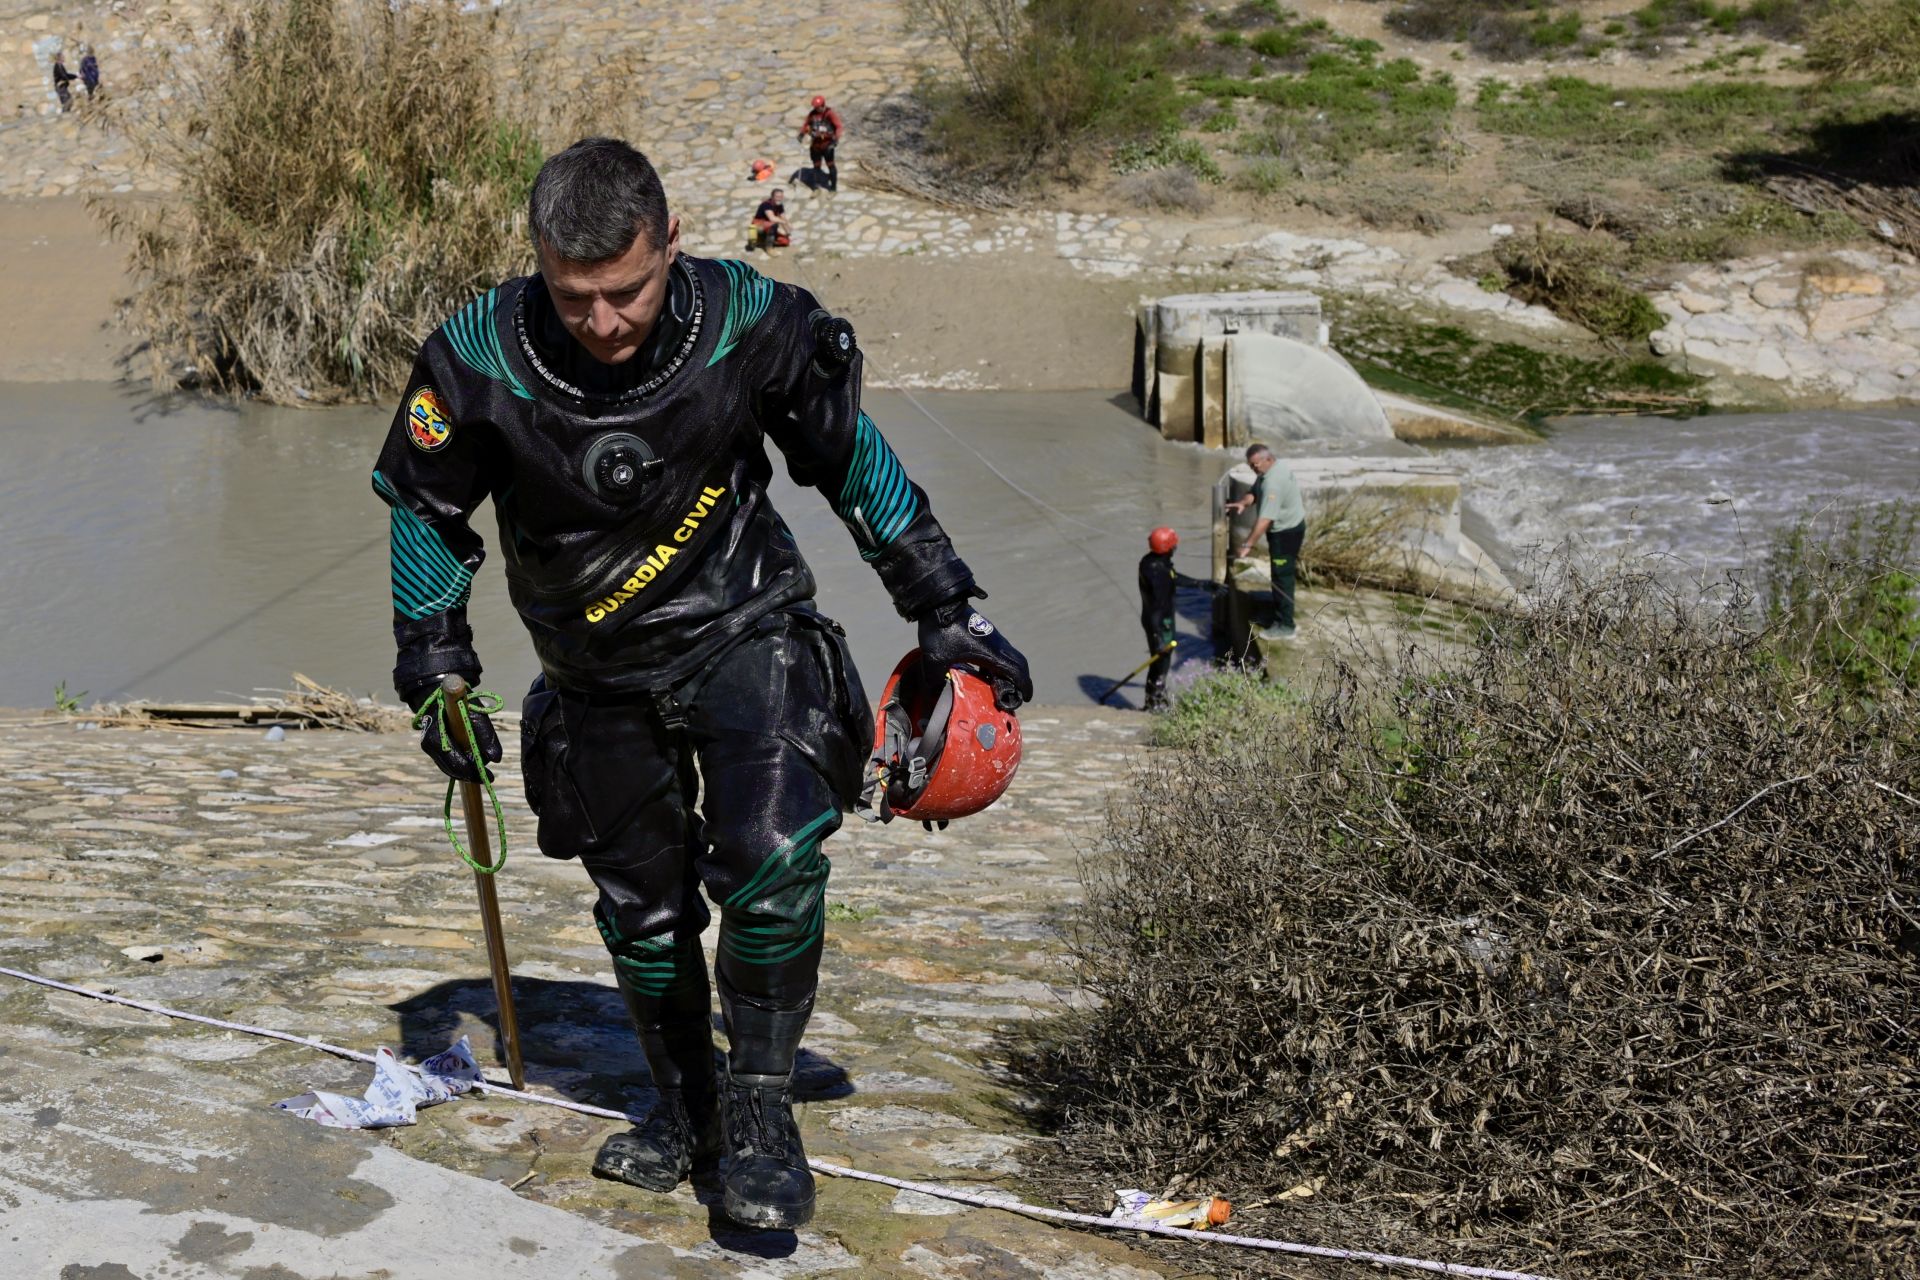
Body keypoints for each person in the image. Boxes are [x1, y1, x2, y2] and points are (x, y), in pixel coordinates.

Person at [370, 137, 1030, 1231]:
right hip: (591, 666)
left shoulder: (746, 323)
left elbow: (848, 457)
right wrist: (432, 660)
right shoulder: (477, 356)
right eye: (573, 296)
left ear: (671, 241)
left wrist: (948, 603)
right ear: (538, 262)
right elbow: (426, 511)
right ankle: (686, 1111)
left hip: (746, 625)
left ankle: (762, 1113)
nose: (604, 321)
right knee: (643, 913)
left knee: (774, 861)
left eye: (626, 291)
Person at [1225, 442, 1307, 638]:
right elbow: (1255, 490)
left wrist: (1247, 545)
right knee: (1279, 574)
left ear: (1267, 459)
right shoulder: (1272, 469)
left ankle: (1286, 625)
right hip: (1286, 529)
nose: (1254, 469)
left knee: (1282, 578)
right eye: (1250, 466)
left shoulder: (1273, 483)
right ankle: (1278, 614)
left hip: (1285, 534)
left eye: (1255, 465)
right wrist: (1244, 502)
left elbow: (1264, 520)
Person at [1138, 527, 1179, 710]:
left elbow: (1174, 577)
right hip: (1161, 624)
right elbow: (1156, 609)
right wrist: (1159, 637)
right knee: (1161, 664)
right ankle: (1154, 703)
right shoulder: (1157, 572)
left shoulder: (1151, 562)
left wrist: (1200, 584)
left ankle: (1154, 701)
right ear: (1169, 547)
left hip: (1156, 621)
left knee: (1159, 663)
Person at [798, 95, 842, 191]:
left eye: (818, 107)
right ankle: (816, 186)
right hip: (816, 145)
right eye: (815, 107)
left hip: (827, 144)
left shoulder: (830, 114)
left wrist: (835, 139)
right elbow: (806, 125)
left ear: (823, 105)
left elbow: (838, 126)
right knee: (816, 166)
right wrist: (802, 133)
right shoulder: (812, 115)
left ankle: (833, 187)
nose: (816, 109)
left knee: (831, 165)